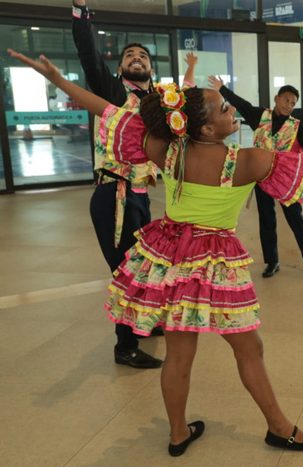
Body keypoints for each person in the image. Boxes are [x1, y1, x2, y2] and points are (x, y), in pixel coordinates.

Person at [9, 48, 303, 458]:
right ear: (207, 130)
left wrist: (54, 77)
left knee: (180, 354)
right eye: (224, 109)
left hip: (171, 256)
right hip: (214, 260)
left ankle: (178, 434)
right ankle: (279, 428)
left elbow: (105, 110)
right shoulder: (247, 160)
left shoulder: (166, 150)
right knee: (250, 349)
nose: (232, 111)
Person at [72, 0, 183, 368]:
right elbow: (88, 55)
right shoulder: (112, 93)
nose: (136, 58)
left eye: (142, 56)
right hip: (112, 194)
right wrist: (80, 11)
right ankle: (125, 348)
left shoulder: (157, 103)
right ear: (120, 67)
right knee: (126, 270)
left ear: (151, 67)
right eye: (129, 55)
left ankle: (141, 326)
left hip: (141, 196)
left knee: (144, 265)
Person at [208, 76, 303, 280]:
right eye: (286, 100)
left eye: (293, 103)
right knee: (267, 219)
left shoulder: (298, 127)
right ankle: (272, 262)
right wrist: (223, 89)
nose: (289, 105)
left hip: (286, 181)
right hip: (261, 177)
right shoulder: (259, 116)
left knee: (296, 219)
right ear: (276, 98)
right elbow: (242, 105)